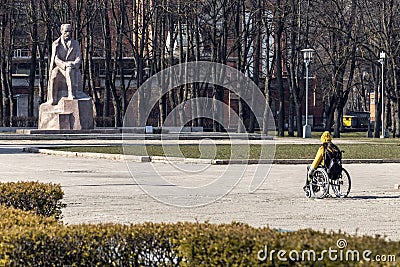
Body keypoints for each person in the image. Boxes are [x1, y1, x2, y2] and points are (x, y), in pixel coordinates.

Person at [47, 23, 82, 105]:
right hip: (60, 67)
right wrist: (64, 65)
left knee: (69, 70)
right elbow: (55, 59)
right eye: (66, 31)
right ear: (61, 31)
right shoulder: (56, 44)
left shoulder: (75, 43)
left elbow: (79, 58)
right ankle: (53, 98)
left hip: (72, 67)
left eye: (70, 31)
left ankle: (71, 94)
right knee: (54, 75)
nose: (68, 33)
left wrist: (73, 64)